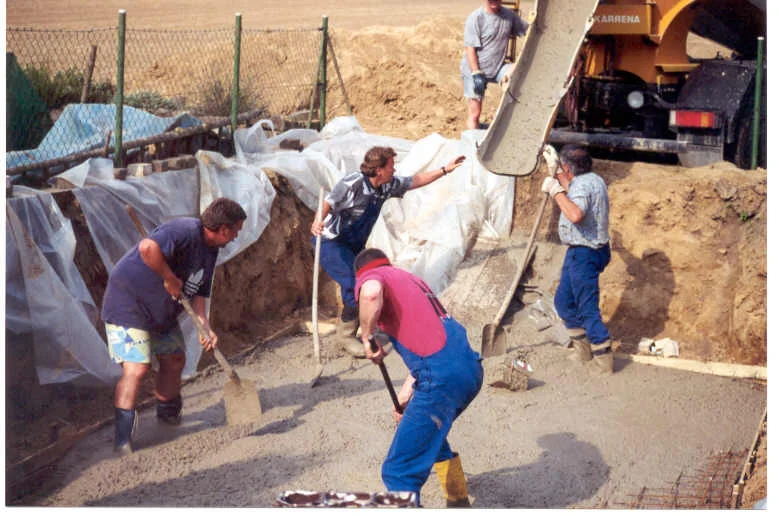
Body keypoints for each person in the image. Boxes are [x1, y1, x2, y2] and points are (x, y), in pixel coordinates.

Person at [102, 197, 247, 454]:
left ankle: (168, 415)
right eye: (236, 229)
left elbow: (199, 289)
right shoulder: (184, 231)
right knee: (137, 367)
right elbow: (148, 248)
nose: (237, 235)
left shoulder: (211, 250)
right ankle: (122, 439)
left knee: (175, 359)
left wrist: (205, 325)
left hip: (161, 311)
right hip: (128, 303)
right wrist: (169, 277)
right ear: (224, 228)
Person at [354, 248, 483, 506]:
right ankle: (459, 502)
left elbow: (370, 293)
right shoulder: (411, 280)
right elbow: (432, 346)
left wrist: (367, 336)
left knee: (398, 471)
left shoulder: (372, 277)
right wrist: (405, 397)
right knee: (429, 432)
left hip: (441, 379)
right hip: (469, 369)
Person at [310, 146, 466, 358]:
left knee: (372, 279)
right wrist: (318, 220)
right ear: (379, 169)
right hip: (330, 241)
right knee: (354, 284)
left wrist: (445, 169)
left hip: (354, 244)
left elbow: (415, 181)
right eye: (391, 166)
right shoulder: (353, 182)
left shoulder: (386, 186)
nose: (394, 170)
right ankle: (346, 336)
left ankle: (368, 329)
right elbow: (329, 202)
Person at [541, 144, 613, 373]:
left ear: (570, 167)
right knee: (563, 301)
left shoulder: (582, 185)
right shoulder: (593, 179)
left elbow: (575, 214)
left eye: (563, 166)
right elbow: (574, 186)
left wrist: (555, 191)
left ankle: (603, 360)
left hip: (586, 253)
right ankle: (582, 351)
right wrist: (558, 171)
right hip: (583, 250)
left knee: (586, 307)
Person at [461, 0, 530, 130]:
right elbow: (470, 49)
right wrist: (476, 73)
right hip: (474, 69)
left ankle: (510, 124)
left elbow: (529, 31)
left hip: (497, 67)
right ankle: (473, 144)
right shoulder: (476, 18)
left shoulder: (509, 16)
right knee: (474, 113)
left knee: (519, 75)